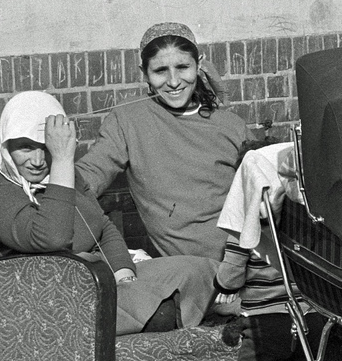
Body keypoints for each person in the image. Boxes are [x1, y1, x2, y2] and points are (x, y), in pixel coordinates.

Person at [0, 90, 225, 334]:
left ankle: (221, 303)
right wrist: (63, 159)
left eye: (47, 147)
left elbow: (101, 225)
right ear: (6, 147)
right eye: (25, 147)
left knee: (193, 268)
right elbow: (50, 239)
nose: (38, 160)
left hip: (80, 277)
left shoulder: (64, 175)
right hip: (21, 298)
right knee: (162, 311)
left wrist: (124, 274)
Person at [76, 22, 252, 262]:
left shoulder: (230, 125)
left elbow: (263, 191)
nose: (173, 81)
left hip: (246, 261)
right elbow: (92, 172)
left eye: (183, 67)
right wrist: (49, 184)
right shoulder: (128, 120)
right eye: (160, 71)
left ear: (198, 65)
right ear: (144, 72)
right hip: (191, 272)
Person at [213, 139, 322, 361]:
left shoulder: (249, 229)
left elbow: (228, 279)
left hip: (266, 320)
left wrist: (225, 284)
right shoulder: (306, 222)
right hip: (308, 317)